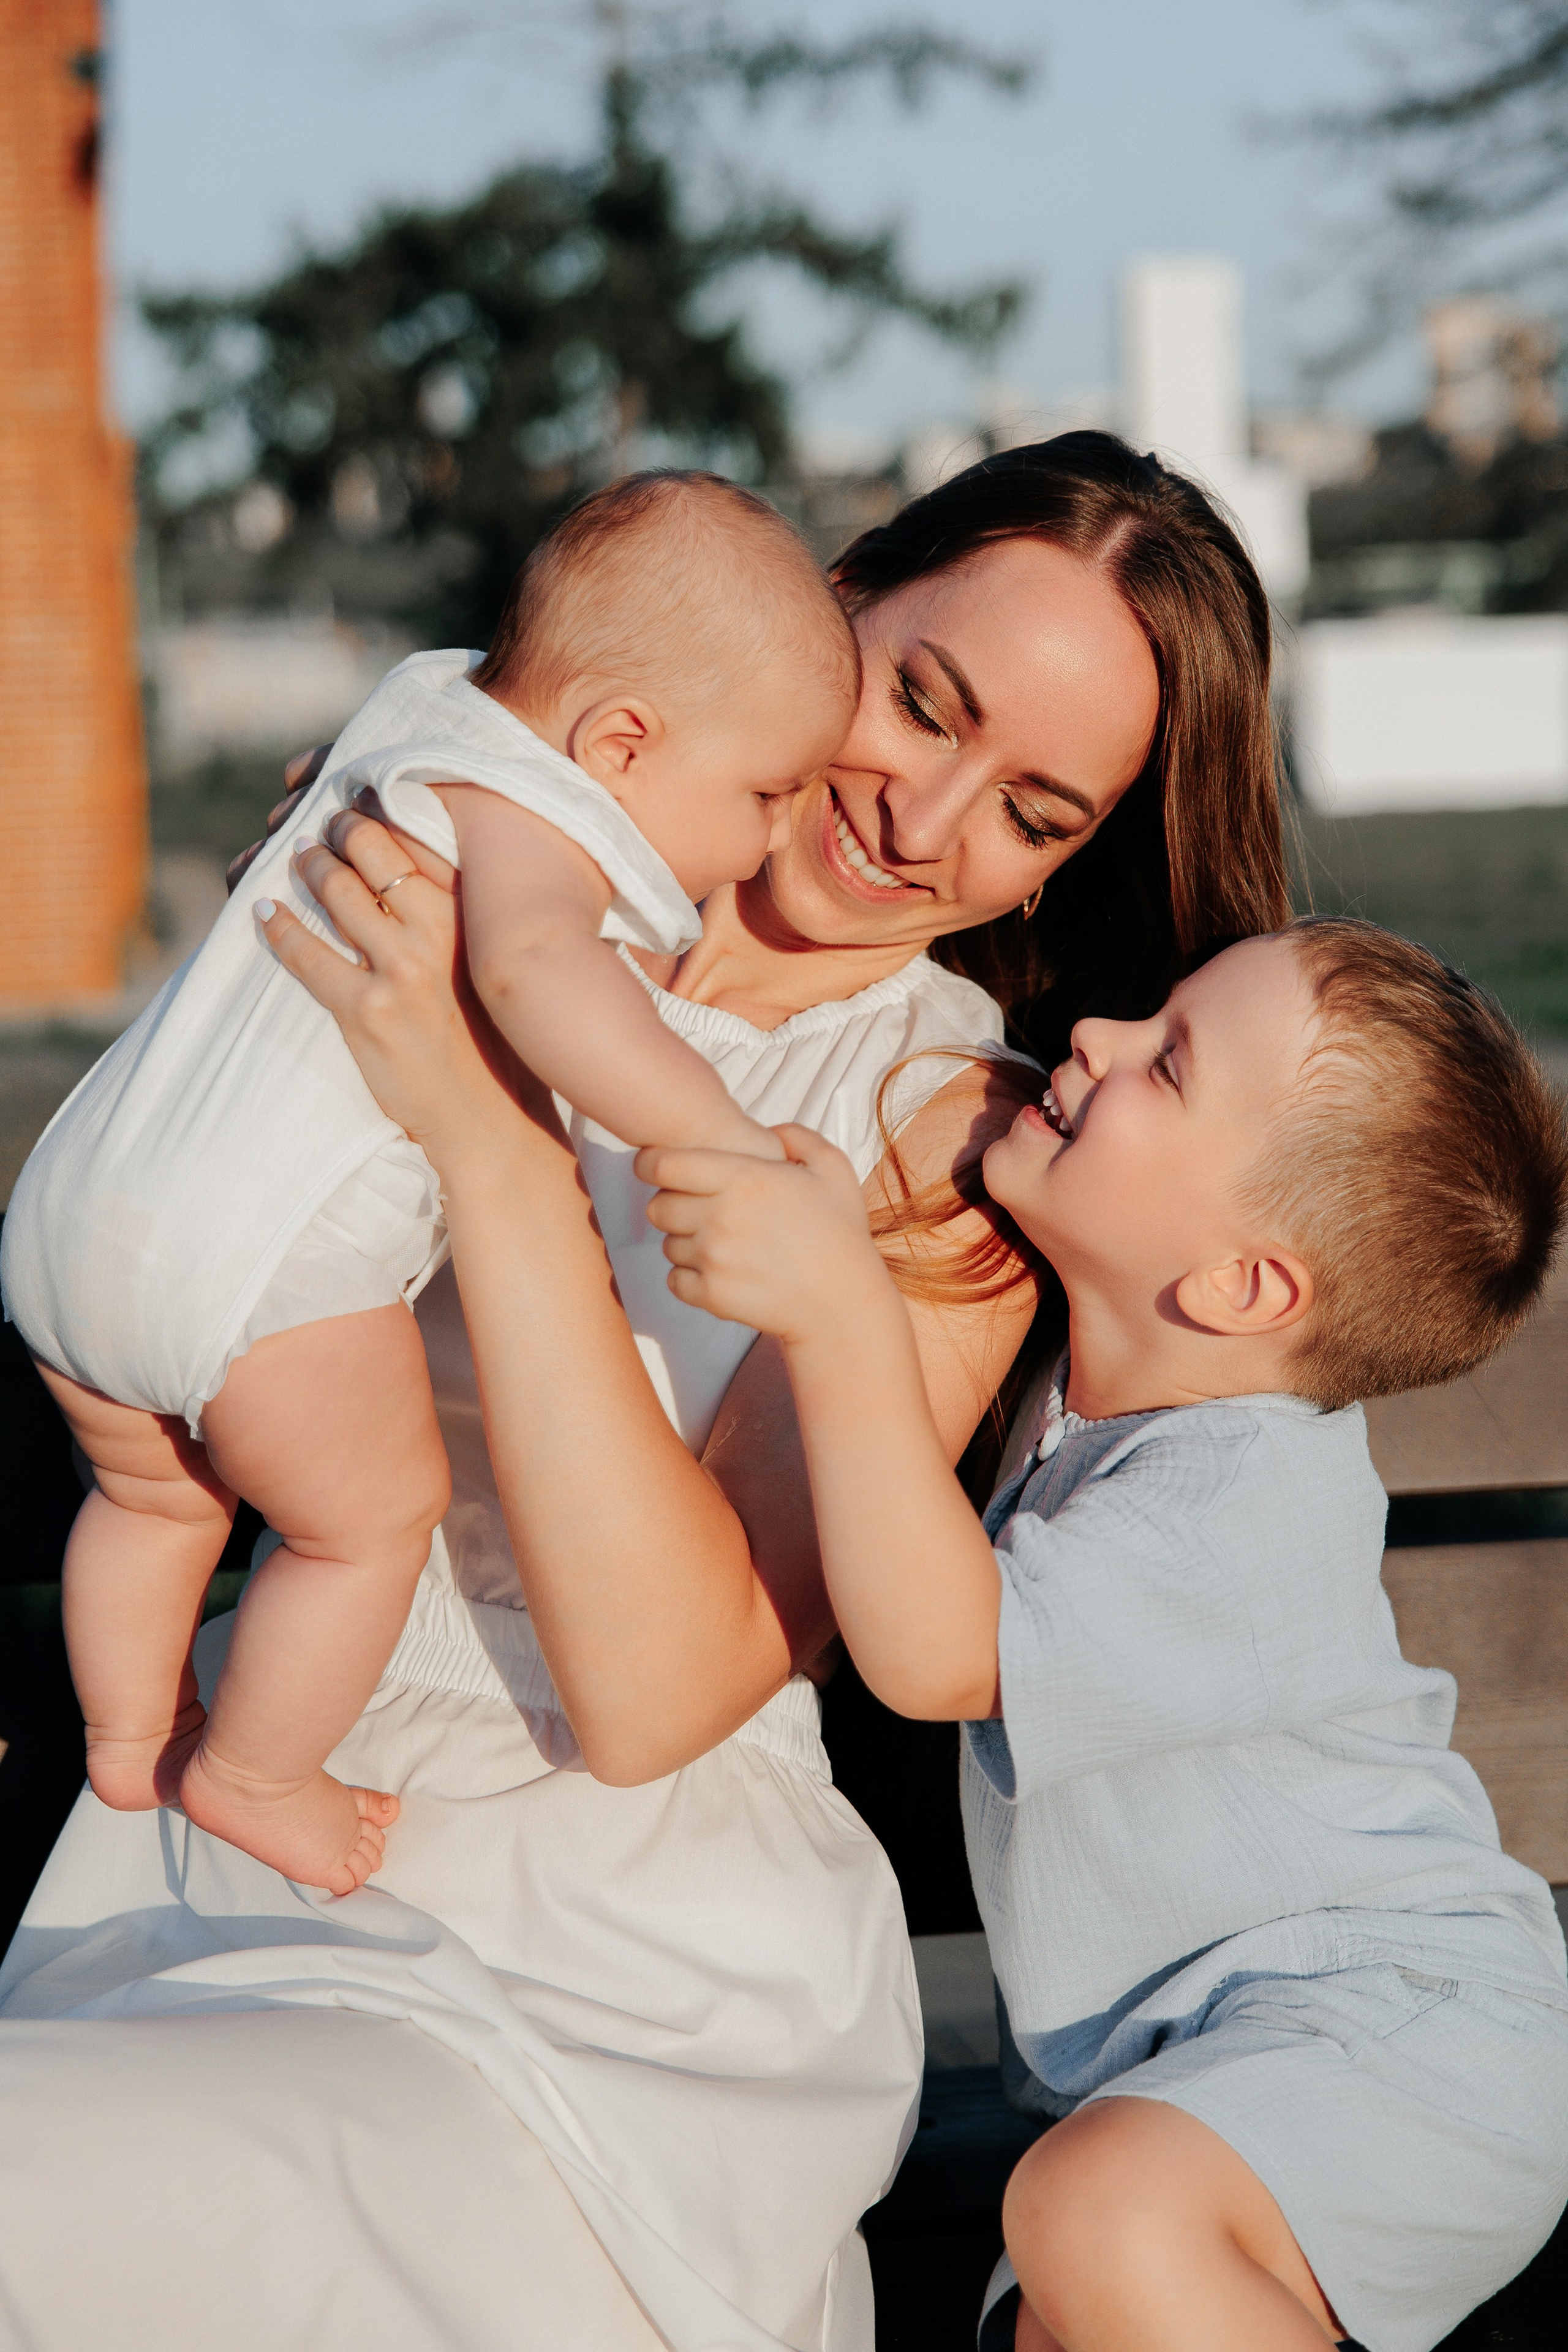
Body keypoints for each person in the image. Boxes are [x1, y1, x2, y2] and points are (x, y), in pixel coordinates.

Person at [0, 436, 1288, 2352]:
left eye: (1030, 810)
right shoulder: (462, 848)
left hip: (602, 1959)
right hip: (229, 1824)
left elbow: (666, 1691)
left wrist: (496, 1141)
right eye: (919, 701)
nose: (920, 822)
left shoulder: (949, 1144)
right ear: (826, 597)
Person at [640, 917, 1568, 2352]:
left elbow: (942, 1650)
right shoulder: (1116, 1406)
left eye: (1169, 1063)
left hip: (1391, 2030)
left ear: (1239, 1287)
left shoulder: (1243, 1495)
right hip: (1211, 2073)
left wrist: (838, 1317)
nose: (1097, 1037)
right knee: (1076, 2286)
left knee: (1092, 2216)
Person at [2, 472, 856, 1893]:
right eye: (764, 792)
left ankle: (127, 1733)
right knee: (368, 1520)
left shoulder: (410, 717)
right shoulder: (530, 812)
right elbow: (537, 975)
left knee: (156, 1503)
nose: (775, 833)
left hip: (70, 1220)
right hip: (253, 1272)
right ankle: (254, 1773)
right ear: (620, 741)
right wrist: (712, 1133)